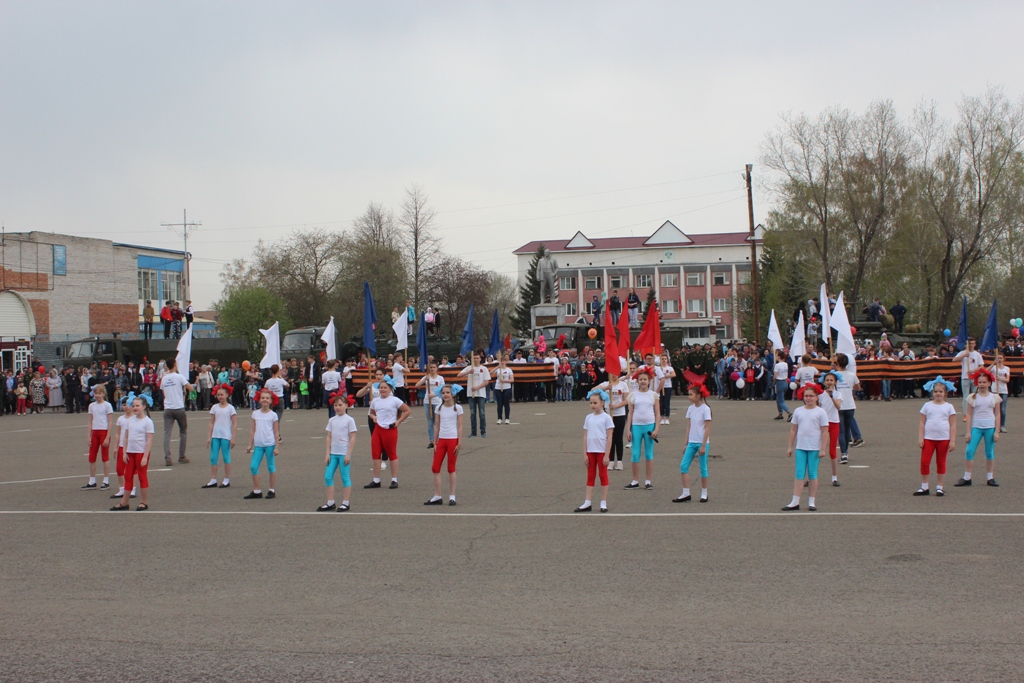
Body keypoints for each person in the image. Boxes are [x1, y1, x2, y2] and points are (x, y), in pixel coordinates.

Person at [782, 383, 829, 511]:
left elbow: (825, 431)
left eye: (811, 396)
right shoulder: (798, 411)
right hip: (801, 447)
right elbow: (793, 430)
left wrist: (823, 449)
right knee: (799, 473)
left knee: (813, 474)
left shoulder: (821, 412)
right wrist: (790, 446)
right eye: (806, 396)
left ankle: (811, 502)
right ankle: (795, 501)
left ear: (817, 397)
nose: (808, 398)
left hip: (814, 448)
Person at [955, 368, 1001, 488]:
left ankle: (990, 477)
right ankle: (967, 477)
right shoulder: (973, 397)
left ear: (989, 383)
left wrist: (997, 431)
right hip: (976, 427)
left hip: (989, 427)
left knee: (989, 452)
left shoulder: (994, 397)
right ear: (976, 383)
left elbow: (997, 414)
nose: (982, 384)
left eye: (984, 382)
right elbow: (969, 414)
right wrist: (967, 432)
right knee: (969, 451)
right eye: (980, 382)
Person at [363, 379, 410, 490]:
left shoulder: (395, 400)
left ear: (390, 389)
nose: (383, 390)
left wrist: (398, 421)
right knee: (375, 454)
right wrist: (373, 417)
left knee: (392, 454)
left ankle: (394, 480)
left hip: (390, 429)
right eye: (381, 387)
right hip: (378, 429)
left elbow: (407, 410)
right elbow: (371, 413)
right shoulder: (375, 401)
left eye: (385, 388)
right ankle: (376, 480)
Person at [110, 396, 155, 511]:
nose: (135, 408)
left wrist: (145, 456)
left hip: (140, 453)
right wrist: (124, 452)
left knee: (142, 476)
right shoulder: (130, 421)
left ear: (144, 407)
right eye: (133, 405)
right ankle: (124, 502)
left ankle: (143, 502)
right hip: (130, 453)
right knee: (128, 476)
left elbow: (149, 440)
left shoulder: (148, 422)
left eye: (137, 406)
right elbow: (125, 437)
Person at [916, 376, 957, 496]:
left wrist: (952, 440)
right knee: (924, 461)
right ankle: (924, 486)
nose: (938, 394)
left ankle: (940, 486)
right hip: (928, 438)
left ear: (945, 393)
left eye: (940, 391)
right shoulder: (927, 405)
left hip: (943, 439)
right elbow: (922, 422)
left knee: (941, 462)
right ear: (932, 393)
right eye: (935, 391)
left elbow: (953, 425)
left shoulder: (949, 407)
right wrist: (920, 437)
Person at [673, 383, 712, 503]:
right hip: (691, 442)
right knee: (683, 466)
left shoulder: (706, 409)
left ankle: (704, 493)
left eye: (691, 394)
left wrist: (703, 445)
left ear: (699, 395)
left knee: (703, 468)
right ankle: (686, 493)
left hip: (701, 442)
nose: (688, 397)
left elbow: (707, 428)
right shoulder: (690, 409)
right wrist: (685, 443)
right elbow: (688, 426)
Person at [576, 389, 614, 512]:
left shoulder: (607, 418)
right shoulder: (588, 418)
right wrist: (585, 453)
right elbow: (585, 436)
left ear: (602, 403)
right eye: (591, 403)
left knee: (603, 475)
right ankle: (587, 502)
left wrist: (607, 455)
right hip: (591, 451)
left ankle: (603, 502)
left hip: (602, 451)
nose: (592, 405)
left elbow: (609, 437)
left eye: (595, 403)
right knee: (590, 476)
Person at [426, 384, 463, 506]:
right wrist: (434, 442)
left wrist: (459, 442)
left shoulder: (458, 408)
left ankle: (452, 496)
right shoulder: (439, 408)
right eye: (443, 393)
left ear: (453, 394)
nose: (445, 395)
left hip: (452, 440)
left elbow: (460, 426)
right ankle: (437, 496)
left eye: (448, 392)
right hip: (441, 440)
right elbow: (436, 426)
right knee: (435, 467)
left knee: (451, 468)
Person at [320, 392, 357, 512]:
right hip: (333, 453)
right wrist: (327, 453)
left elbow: (352, 438)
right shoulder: (332, 420)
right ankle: (330, 502)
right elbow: (328, 437)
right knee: (328, 476)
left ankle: (346, 503)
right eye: (335, 405)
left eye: (340, 405)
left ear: (346, 405)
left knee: (345, 477)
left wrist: (348, 454)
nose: (338, 407)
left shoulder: (349, 420)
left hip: (343, 453)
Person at [624, 368, 659, 490]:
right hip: (636, 427)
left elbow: (657, 413)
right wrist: (628, 429)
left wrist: (656, 429)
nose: (643, 381)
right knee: (635, 454)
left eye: (645, 379)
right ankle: (635, 480)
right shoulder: (633, 395)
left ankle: (648, 481)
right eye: (641, 379)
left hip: (649, 426)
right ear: (637, 381)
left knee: (649, 454)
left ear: (649, 380)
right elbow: (630, 413)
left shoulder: (653, 395)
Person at [244, 389, 281, 500]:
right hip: (258, 445)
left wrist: (277, 447)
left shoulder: (273, 415)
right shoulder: (255, 414)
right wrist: (249, 444)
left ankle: (272, 490)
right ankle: (257, 490)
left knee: (270, 466)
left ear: (271, 401)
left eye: (267, 398)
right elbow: (252, 430)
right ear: (259, 399)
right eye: (263, 398)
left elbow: (276, 431)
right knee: (253, 466)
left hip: (270, 444)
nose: (265, 400)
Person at [160, 358, 193, 466]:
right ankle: (182, 455)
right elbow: (190, 388)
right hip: (178, 407)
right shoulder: (179, 377)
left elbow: (164, 392)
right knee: (183, 431)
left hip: (168, 407)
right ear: (175, 364)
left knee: (167, 434)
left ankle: (167, 458)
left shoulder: (164, 378)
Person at [594, 369, 629, 470]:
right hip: (608, 416)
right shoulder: (606, 384)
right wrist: (605, 388)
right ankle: (611, 460)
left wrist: (616, 406)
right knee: (610, 438)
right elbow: (593, 390)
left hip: (620, 414)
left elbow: (627, 400)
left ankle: (619, 461)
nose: (614, 375)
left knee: (618, 437)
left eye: (616, 373)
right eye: (612, 373)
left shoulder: (623, 385)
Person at [81, 385, 114, 490]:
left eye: (99, 393)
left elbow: (110, 422)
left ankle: (106, 480)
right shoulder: (91, 406)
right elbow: (90, 422)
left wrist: (107, 436)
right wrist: (89, 436)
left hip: (103, 432)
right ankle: (92, 480)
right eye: (96, 393)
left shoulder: (107, 405)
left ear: (103, 394)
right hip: (95, 432)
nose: (97, 395)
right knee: (92, 457)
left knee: (105, 457)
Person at [204, 384, 236, 490]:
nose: (220, 397)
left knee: (226, 457)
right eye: (218, 395)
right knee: (213, 457)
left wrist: (233, 438)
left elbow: (235, 424)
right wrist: (209, 437)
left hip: (226, 436)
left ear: (227, 395)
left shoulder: (230, 408)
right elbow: (211, 423)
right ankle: (213, 479)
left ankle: (226, 479)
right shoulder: (214, 407)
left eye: (222, 394)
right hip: (215, 435)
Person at [110, 394, 139, 500]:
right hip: (122, 446)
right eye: (123, 405)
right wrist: (115, 447)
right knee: (119, 469)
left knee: (131, 469)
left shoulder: (135, 419)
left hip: (132, 447)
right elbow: (118, 433)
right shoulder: (120, 419)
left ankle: (133, 488)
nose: (125, 407)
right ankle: (122, 488)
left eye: (128, 405)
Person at [834, 353, 861, 464]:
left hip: (839, 405)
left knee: (841, 431)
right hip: (850, 405)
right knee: (846, 429)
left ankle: (844, 453)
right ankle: (846, 452)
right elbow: (858, 388)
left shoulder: (834, 375)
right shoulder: (851, 375)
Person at [819, 371, 843, 487]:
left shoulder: (838, 394)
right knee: (816, 449)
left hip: (834, 423)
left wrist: (831, 395)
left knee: (832, 450)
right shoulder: (820, 394)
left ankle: (834, 477)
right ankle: (812, 476)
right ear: (824, 381)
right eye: (827, 380)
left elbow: (838, 407)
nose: (829, 382)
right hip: (822, 424)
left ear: (835, 382)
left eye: (831, 380)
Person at [458, 351, 490, 438]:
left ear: (480, 359)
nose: (475, 360)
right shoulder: (469, 368)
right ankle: (473, 432)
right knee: (472, 413)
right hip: (471, 394)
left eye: (477, 358)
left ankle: (483, 431)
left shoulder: (484, 369)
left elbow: (486, 381)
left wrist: (477, 387)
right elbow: (459, 375)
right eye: (474, 358)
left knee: (482, 413)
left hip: (480, 394)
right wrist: (468, 372)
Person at [415, 361, 445, 448]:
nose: (432, 369)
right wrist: (425, 379)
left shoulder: (440, 378)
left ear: (437, 368)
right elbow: (417, 385)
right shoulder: (426, 377)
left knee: (437, 422)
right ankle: (432, 441)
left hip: (437, 401)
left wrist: (434, 395)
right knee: (429, 422)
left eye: (434, 367)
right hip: (428, 402)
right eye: (431, 367)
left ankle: (438, 439)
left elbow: (442, 390)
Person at [953, 338, 984, 418]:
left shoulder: (977, 354)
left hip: (975, 377)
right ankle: (966, 414)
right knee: (966, 396)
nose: (971, 345)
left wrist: (973, 370)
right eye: (969, 343)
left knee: (975, 396)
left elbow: (981, 366)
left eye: (972, 343)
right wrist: (964, 355)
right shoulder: (963, 352)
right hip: (965, 377)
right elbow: (954, 360)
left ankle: (975, 413)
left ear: (975, 344)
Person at [263, 364, 288, 434]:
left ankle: (271, 433)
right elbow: (287, 385)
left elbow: (265, 389)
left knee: (271, 417)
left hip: (271, 400)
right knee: (277, 418)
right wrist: (281, 378)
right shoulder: (280, 380)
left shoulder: (268, 381)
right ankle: (277, 434)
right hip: (279, 399)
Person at [989, 352, 1010, 433]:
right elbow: (985, 371)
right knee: (994, 409)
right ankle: (994, 425)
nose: (1000, 360)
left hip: (1003, 390)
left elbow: (1007, 380)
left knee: (1003, 409)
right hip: (995, 390)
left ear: (1004, 359)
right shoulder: (994, 368)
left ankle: (1002, 425)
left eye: (1001, 358)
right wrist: (993, 364)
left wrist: (1000, 378)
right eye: (998, 358)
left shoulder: (1006, 368)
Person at [492, 355, 514, 424]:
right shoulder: (498, 370)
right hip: (498, 388)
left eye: (503, 361)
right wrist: (497, 367)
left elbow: (512, 380)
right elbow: (490, 372)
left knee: (506, 403)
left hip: (507, 388)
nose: (502, 362)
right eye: (501, 361)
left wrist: (504, 381)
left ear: (505, 362)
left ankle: (507, 418)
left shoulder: (509, 370)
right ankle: (499, 418)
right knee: (499, 404)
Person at [773, 350, 791, 420]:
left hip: (780, 382)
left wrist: (774, 381)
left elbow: (775, 376)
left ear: (779, 357)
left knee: (780, 400)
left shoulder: (777, 365)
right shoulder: (785, 364)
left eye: (777, 355)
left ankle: (789, 412)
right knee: (779, 399)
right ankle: (780, 413)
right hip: (785, 381)